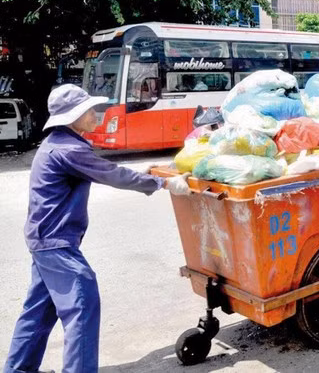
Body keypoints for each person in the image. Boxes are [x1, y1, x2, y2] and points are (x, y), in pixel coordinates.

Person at [4, 84, 191, 373]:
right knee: (82, 303)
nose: (95, 114)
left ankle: (19, 369)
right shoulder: (69, 149)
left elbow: (103, 171)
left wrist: (142, 175)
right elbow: (111, 174)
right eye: (88, 110)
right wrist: (164, 183)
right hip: (56, 243)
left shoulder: (57, 143)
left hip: (44, 240)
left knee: (39, 310)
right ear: (72, 117)